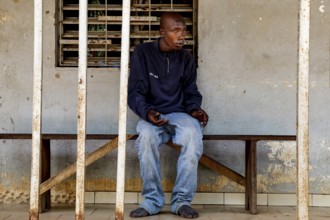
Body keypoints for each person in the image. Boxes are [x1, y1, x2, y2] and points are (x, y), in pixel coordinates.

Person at [127, 12, 208, 219]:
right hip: (152, 114)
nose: (182, 36)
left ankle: (181, 201)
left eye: (184, 31)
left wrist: (195, 110)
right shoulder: (143, 53)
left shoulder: (186, 58)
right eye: (176, 30)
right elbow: (135, 92)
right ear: (162, 32)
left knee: (193, 134)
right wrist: (147, 112)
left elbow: (190, 92)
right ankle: (152, 201)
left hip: (179, 114)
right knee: (145, 138)